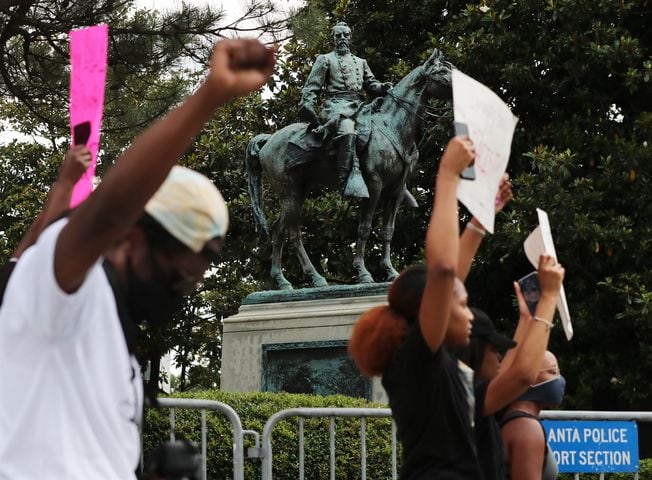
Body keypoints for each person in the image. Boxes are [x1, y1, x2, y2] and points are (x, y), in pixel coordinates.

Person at [0, 38, 275, 478]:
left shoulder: (114, 331)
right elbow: (108, 210)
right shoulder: (64, 289)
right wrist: (209, 96)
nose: (181, 293)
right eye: (175, 276)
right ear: (131, 238)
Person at [349, 135, 483, 478]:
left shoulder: (428, 357)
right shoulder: (417, 358)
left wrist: (480, 222)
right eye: (463, 306)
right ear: (429, 309)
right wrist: (448, 175)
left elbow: (451, 280)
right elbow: (443, 271)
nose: (470, 314)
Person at [299, 21, 392, 198]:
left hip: (359, 107)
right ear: (333, 38)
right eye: (338, 35)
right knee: (348, 131)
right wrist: (308, 105)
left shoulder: (361, 62)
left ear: (350, 37)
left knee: (383, 132)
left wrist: (383, 87)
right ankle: (345, 180)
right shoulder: (325, 59)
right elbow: (312, 87)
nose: (342, 38)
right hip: (335, 106)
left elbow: (371, 85)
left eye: (345, 35)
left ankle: (394, 180)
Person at [0, 145, 92, 306]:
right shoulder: (13, 297)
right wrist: (66, 183)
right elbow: (44, 246)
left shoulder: (9, 279)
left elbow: (34, 235)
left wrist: (64, 183)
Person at [501, 351, 565, 480]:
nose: (559, 379)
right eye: (552, 372)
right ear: (529, 377)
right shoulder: (526, 427)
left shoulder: (517, 420)